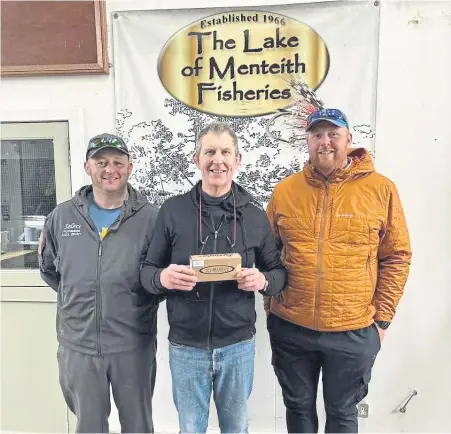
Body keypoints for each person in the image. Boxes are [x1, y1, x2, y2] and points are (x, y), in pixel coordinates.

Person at [265, 108, 412, 433]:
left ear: (349, 138)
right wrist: (272, 305)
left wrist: (382, 320)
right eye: (317, 134)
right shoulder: (285, 191)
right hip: (291, 328)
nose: (325, 142)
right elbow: (267, 253)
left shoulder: (380, 190)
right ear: (307, 141)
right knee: (298, 411)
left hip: (353, 330)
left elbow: (397, 256)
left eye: (333, 133)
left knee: (343, 414)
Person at [140, 121, 287, 434]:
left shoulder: (253, 214)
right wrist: (164, 278)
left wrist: (262, 282)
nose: (217, 160)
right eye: (209, 151)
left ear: (237, 160)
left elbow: (278, 274)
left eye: (225, 152)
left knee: (236, 429)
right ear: (196, 159)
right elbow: (146, 272)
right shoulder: (172, 210)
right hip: (186, 347)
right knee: (190, 429)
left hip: (237, 346)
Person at [39, 133, 160, 433]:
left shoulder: (151, 219)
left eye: (118, 162)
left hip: (132, 345)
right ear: (87, 167)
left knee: (138, 426)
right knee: (89, 426)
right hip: (78, 345)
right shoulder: (61, 216)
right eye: (101, 162)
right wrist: (85, 296)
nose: (110, 169)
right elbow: (50, 270)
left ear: (129, 168)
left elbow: (160, 280)